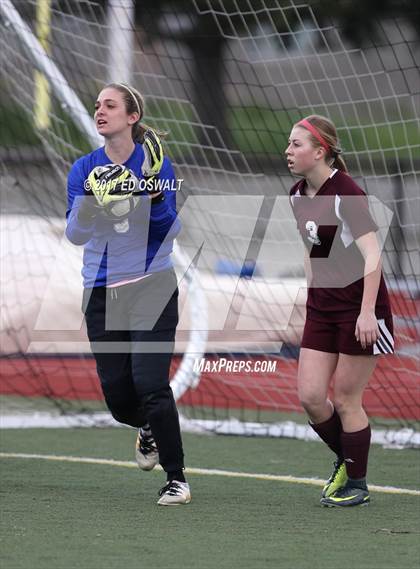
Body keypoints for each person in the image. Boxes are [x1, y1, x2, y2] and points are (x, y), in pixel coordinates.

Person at [65, 82, 191, 506]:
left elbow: (169, 230)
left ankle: (177, 479)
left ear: (131, 116)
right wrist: (93, 202)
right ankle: (150, 426)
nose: (100, 110)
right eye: (97, 104)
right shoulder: (84, 168)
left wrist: (154, 195)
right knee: (121, 402)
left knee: (151, 383)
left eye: (110, 105)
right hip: (101, 293)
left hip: (151, 285)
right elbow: (74, 233)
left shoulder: (157, 166)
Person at [286, 115, 393, 507]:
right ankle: (347, 458)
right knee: (312, 397)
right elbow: (312, 249)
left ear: (321, 151)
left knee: (347, 398)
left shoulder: (346, 192)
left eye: (297, 144)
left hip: (359, 309)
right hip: (323, 308)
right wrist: (309, 297)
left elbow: (373, 257)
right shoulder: (297, 194)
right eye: (289, 144)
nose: (288, 151)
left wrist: (367, 313)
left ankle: (358, 485)